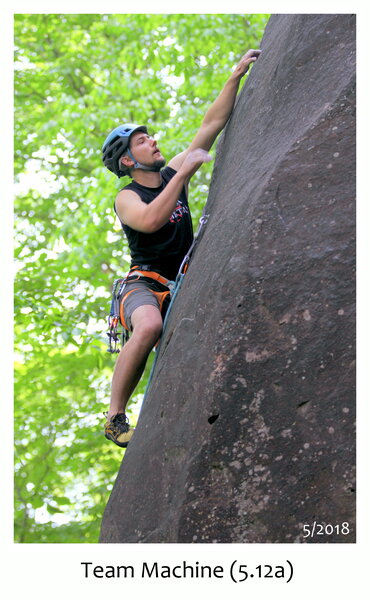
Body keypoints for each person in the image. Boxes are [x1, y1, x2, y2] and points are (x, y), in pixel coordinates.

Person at [102, 48, 261, 447]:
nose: (153, 141)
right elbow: (152, 220)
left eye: (150, 136)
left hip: (182, 284)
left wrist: (234, 77)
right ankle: (114, 417)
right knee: (150, 326)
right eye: (142, 141)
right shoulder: (127, 196)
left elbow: (212, 123)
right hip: (143, 285)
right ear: (127, 161)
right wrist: (184, 172)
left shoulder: (172, 174)